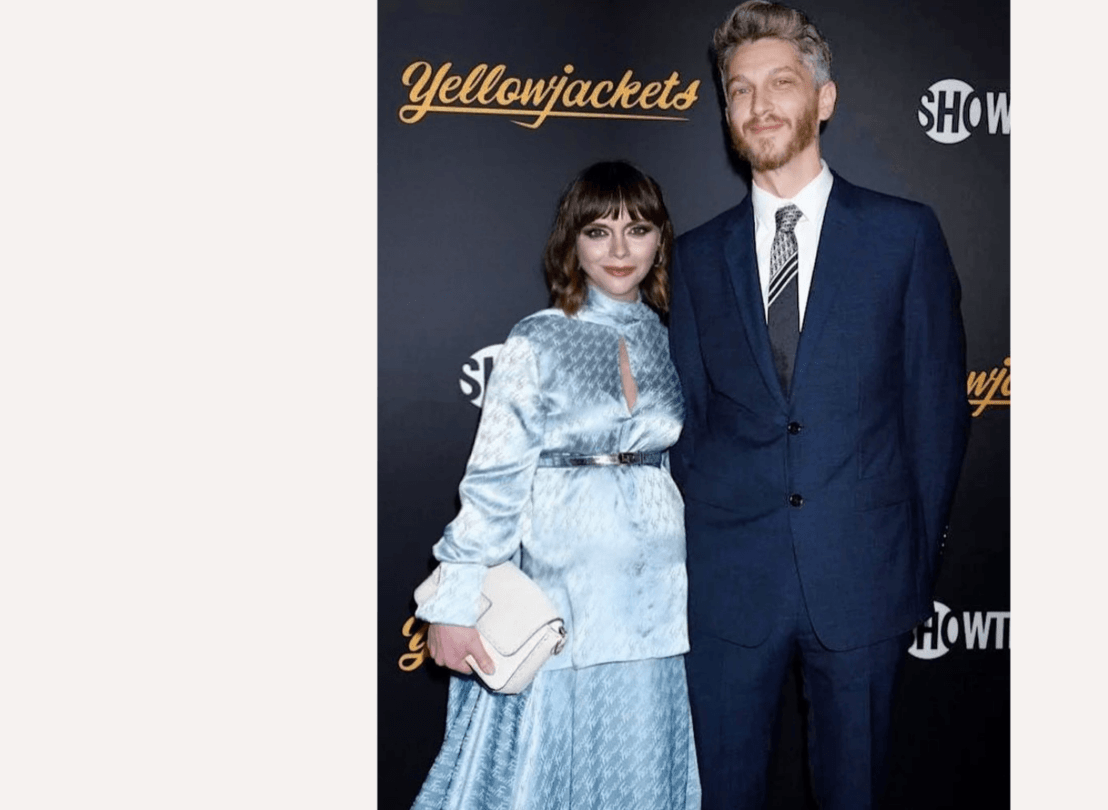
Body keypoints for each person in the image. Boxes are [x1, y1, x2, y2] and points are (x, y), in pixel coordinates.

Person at [667, 3, 970, 809]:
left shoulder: (904, 236)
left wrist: (911, 566)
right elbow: (690, 424)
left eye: (780, 82)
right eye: (740, 90)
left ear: (823, 99)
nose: (760, 104)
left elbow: (936, 415)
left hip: (862, 577)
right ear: (726, 111)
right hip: (729, 586)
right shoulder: (694, 258)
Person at [410, 161, 700, 810]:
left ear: (660, 240)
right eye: (599, 232)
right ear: (572, 242)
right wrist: (455, 601)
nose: (620, 250)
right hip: (563, 600)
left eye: (639, 229)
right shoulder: (537, 341)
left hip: (653, 606)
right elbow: (492, 482)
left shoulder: (666, 339)